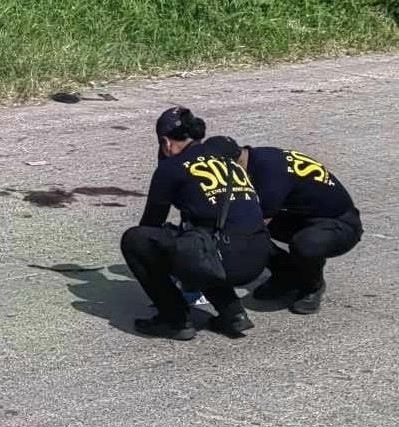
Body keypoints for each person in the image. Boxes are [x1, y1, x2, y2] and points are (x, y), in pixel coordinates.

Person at [120, 107, 273, 340]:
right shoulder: (223, 155)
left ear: (165, 142)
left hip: (225, 259)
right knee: (200, 239)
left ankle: (175, 319)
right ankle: (233, 313)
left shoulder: (171, 169)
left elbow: (150, 225)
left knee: (136, 240)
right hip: (260, 253)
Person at [235, 143, 362, 314]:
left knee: (300, 244)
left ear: (236, 162)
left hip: (341, 224)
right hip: (305, 215)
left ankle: (312, 286)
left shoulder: (269, 172)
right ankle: (286, 275)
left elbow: (257, 222)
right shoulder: (258, 157)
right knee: (245, 226)